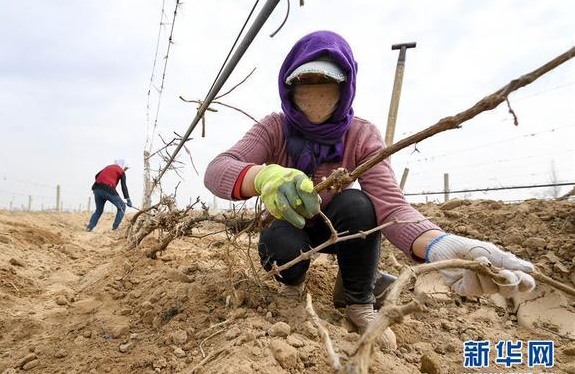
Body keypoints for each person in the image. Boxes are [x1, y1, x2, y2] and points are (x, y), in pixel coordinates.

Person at [204, 31, 535, 350]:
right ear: (288, 86)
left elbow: (391, 207)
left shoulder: (360, 135)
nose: (315, 92)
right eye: (304, 82)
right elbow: (218, 170)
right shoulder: (274, 128)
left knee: (359, 204)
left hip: (341, 230)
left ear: (346, 86)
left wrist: (439, 244)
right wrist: (263, 176)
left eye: (327, 82)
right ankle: (292, 287)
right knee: (279, 240)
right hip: (293, 227)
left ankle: (358, 299)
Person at [86, 159, 133, 231]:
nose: (125, 170)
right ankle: (115, 228)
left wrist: (101, 183)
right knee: (122, 207)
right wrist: (128, 199)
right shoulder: (121, 171)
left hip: (96, 188)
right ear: (123, 165)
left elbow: (97, 175)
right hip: (108, 189)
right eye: (126, 168)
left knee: (98, 210)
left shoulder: (108, 167)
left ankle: (89, 227)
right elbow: (124, 186)